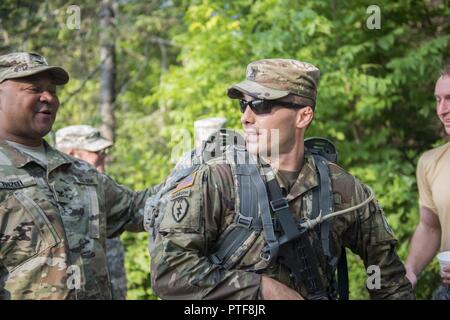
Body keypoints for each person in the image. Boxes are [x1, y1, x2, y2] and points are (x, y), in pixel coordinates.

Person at [147, 58, 414, 300]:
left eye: (261, 105)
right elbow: (168, 273)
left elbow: (389, 282)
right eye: (244, 104)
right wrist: (260, 288)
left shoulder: (345, 190)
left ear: (303, 115)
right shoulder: (217, 180)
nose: (245, 117)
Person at [0, 52, 155, 299]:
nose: (48, 97)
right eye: (34, 88)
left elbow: (139, 208)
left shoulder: (79, 172)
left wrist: (199, 173)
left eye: (53, 90)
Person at [55, 125, 128, 300]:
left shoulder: (99, 188)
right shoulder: (51, 196)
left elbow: (134, 211)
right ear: (73, 154)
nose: (104, 156)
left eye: (104, 151)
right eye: (97, 151)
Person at [405, 66, 450, 299]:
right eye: (438, 100)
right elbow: (430, 226)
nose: (442, 110)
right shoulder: (430, 162)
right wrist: (410, 270)